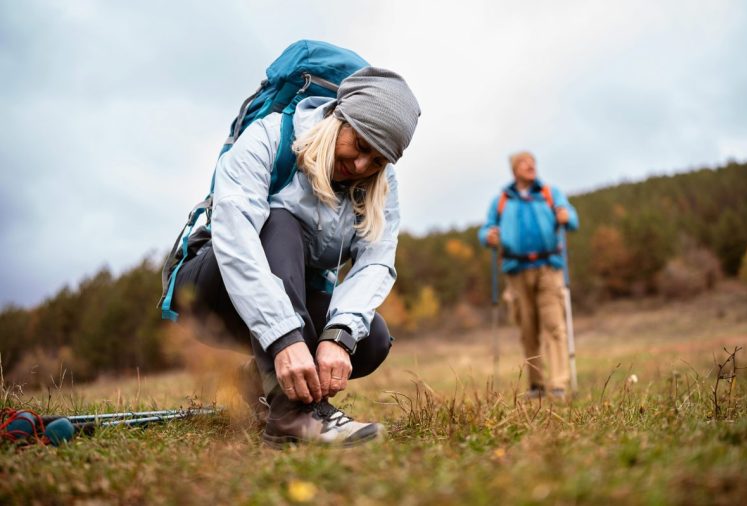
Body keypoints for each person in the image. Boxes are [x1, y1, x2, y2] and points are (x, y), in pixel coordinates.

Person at [172, 67, 421, 447]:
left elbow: (375, 262)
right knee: (280, 220)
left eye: (377, 160)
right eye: (360, 143)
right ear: (340, 117)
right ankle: (292, 415)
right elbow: (236, 242)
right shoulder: (270, 136)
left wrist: (338, 337)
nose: (360, 166)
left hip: (286, 298)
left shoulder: (380, 185)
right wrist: (285, 338)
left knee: (372, 339)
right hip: (211, 285)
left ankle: (255, 383)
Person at [478, 152, 579, 399]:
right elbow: (485, 230)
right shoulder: (502, 200)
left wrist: (567, 216)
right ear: (514, 170)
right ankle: (537, 385)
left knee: (554, 325)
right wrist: (487, 236)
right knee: (527, 328)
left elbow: (572, 220)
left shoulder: (549, 193)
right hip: (516, 270)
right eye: (524, 163)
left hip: (548, 267)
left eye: (533, 162)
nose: (531, 165)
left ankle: (558, 384)